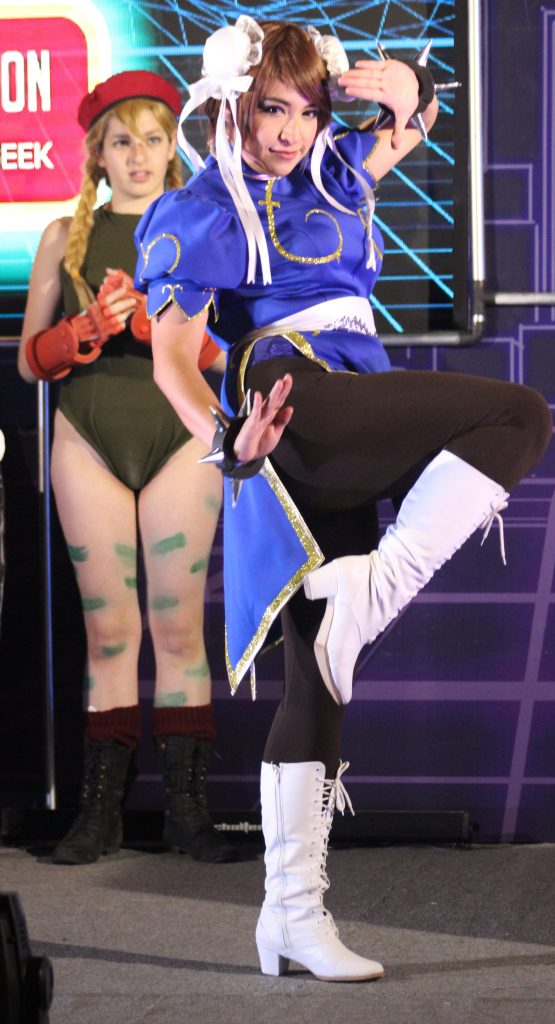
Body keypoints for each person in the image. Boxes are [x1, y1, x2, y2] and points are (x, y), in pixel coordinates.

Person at [135, 18, 553, 981]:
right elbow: (172, 361)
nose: (288, 131)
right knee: (518, 414)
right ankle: (376, 587)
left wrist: (407, 85)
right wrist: (225, 443)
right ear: (232, 105)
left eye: (307, 111)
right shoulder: (201, 209)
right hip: (292, 402)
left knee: (319, 679)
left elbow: (413, 119)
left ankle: (290, 918)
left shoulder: (335, 172)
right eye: (270, 110)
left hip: (345, 410)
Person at [17, 71, 240, 866]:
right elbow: (30, 362)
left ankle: (187, 815)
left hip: (182, 439)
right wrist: (80, 331)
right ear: (98, 154)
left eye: (152, 139)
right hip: (88, 439)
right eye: (122, 141)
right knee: (108, 632)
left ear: (171, 149)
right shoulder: (62, 237)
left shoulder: (209, 226)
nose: (138, 155)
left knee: (178, 627)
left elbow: (231, 356)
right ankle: (98, 815)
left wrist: (161, 330)